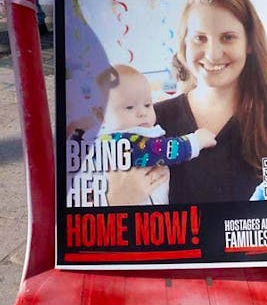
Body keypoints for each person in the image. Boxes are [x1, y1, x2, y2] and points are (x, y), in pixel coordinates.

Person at [108, 0, 267, 204]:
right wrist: (116, 201)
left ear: (249, 43)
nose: (212, 54)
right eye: (200, 38)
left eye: (228, 37)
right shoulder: (152, 121)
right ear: (184, 44)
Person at [78, 64, 216, 206]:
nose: (142, 112)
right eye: (129, 107)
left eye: (147, 104)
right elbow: (159, 150)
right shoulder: (117, 139)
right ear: (101, 115)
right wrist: (195, 141)